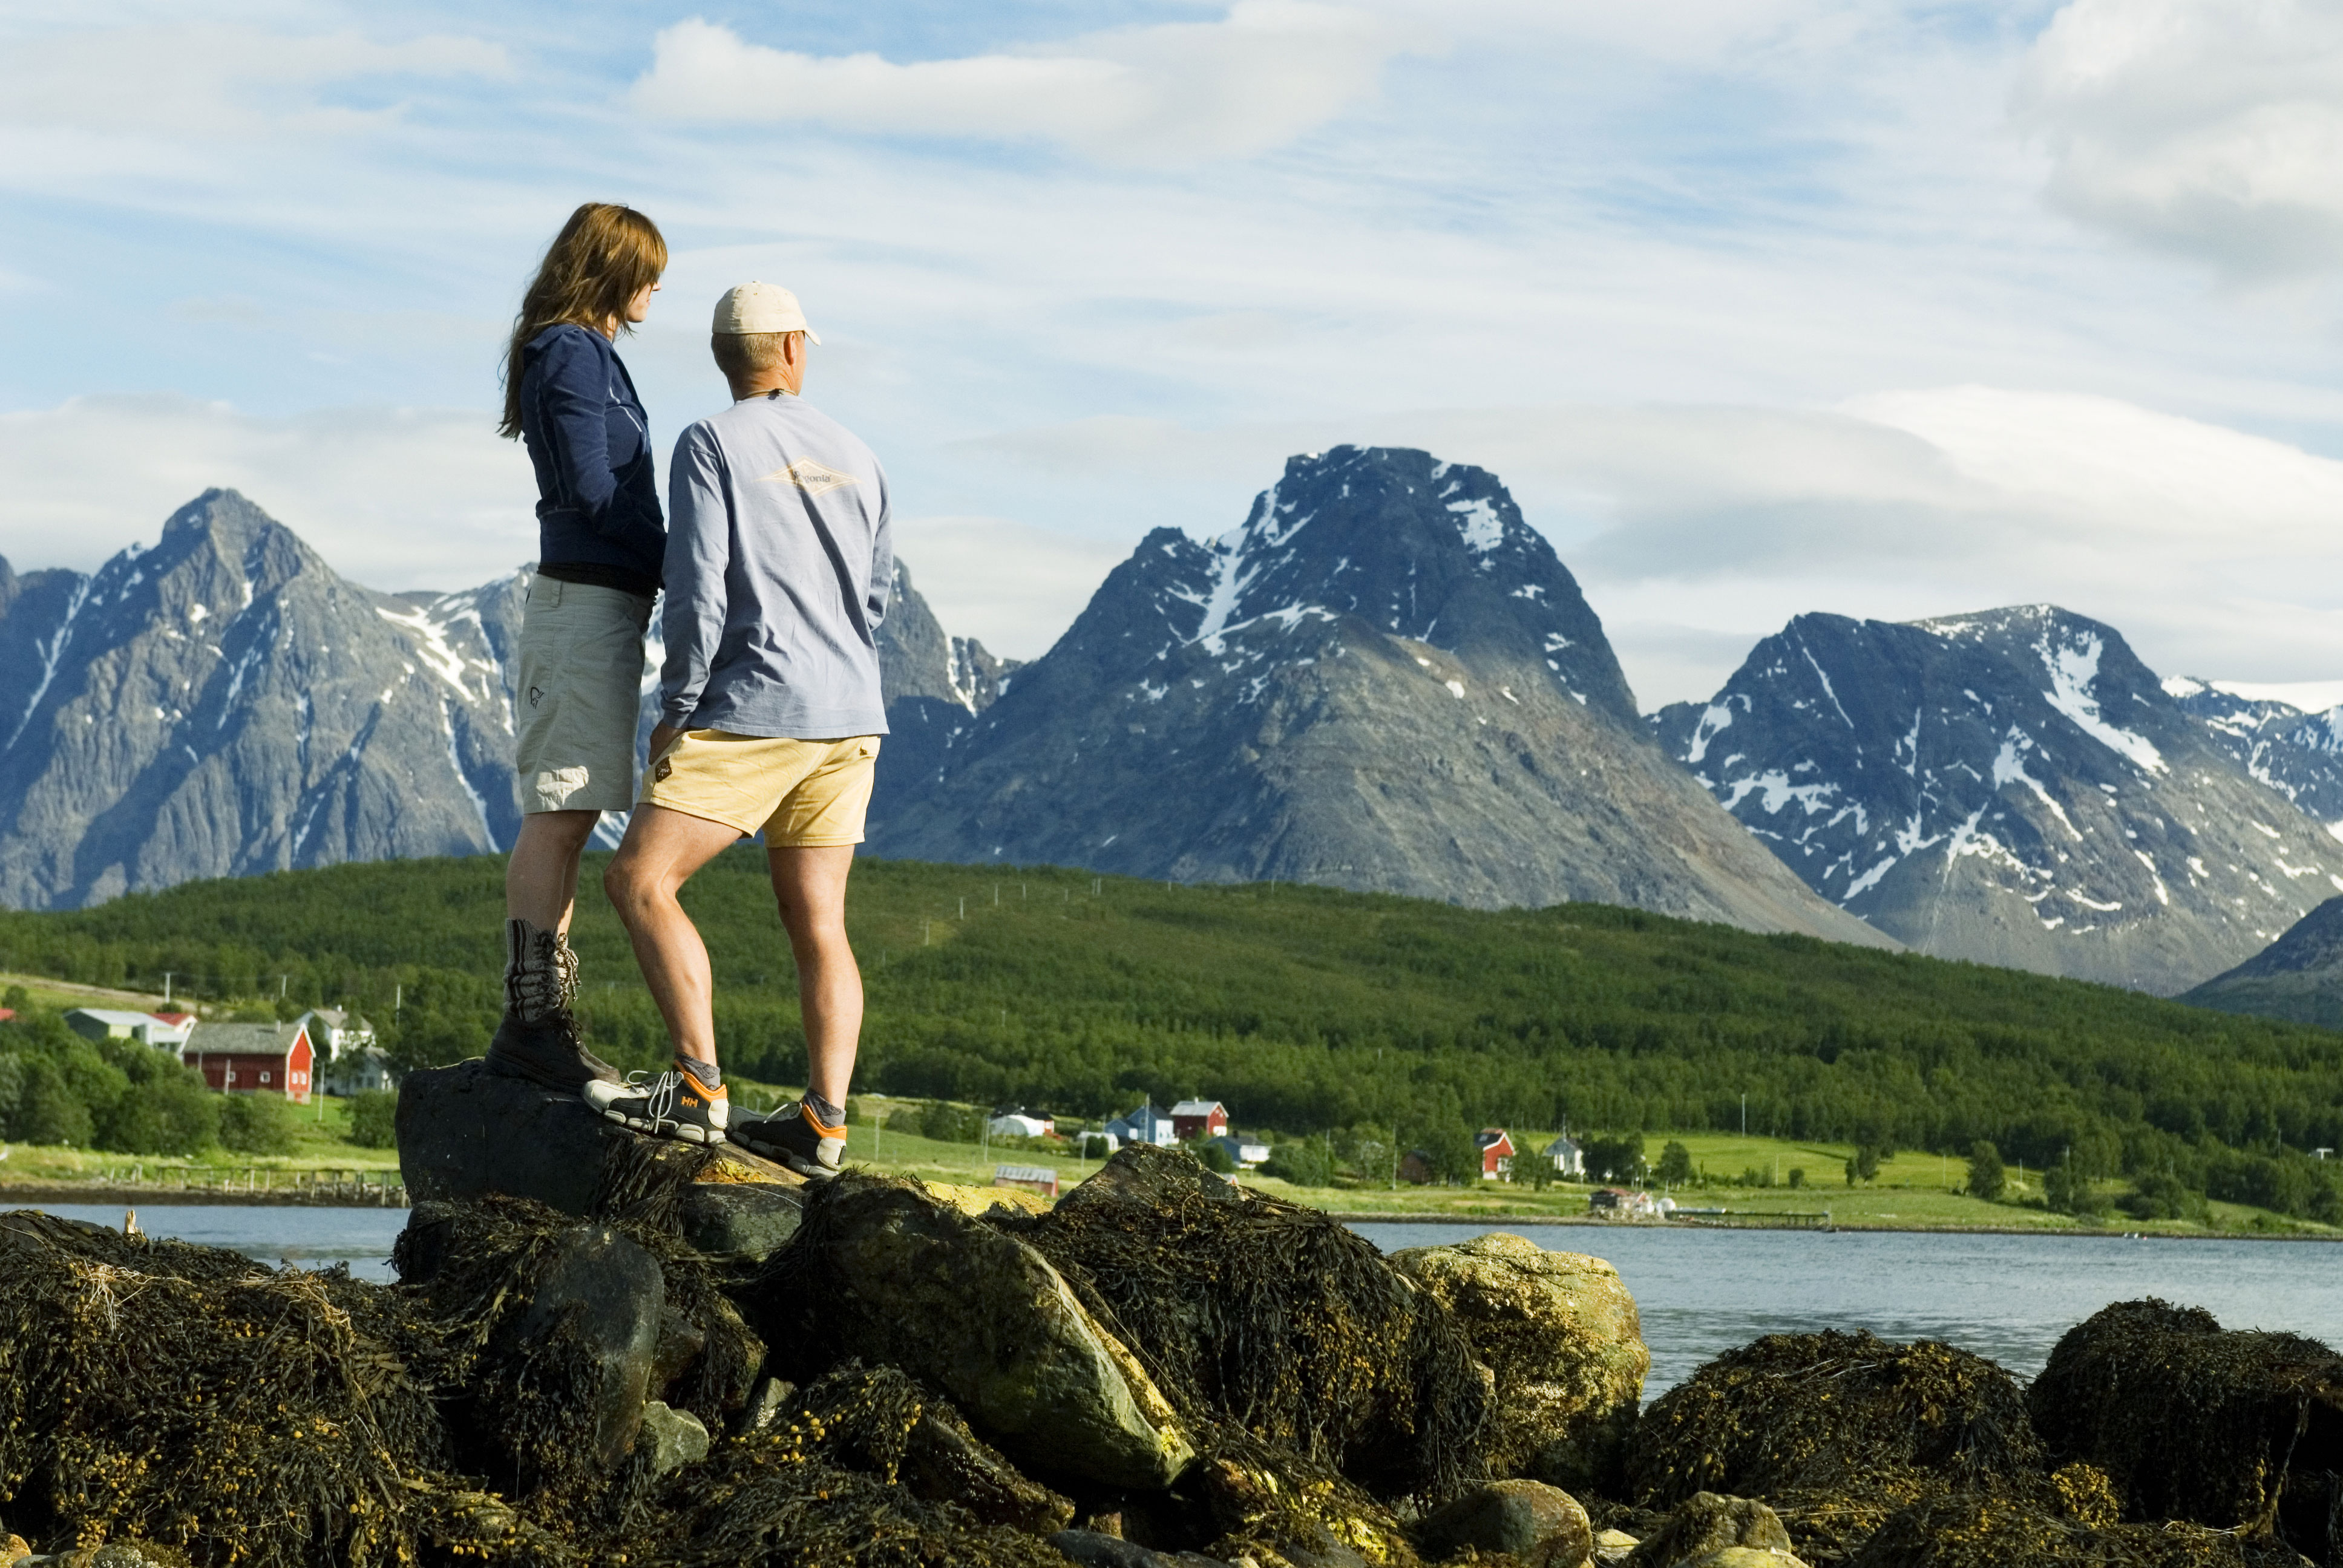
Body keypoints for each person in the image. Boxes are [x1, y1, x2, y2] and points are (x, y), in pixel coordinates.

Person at [586, 281, 890, 1180]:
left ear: (726, 358)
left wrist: (678, 705)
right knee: (820, 923)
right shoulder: (860, 453)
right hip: (850, 714)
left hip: (757, 705)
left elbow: (700, 587)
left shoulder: (713, 442)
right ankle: (824, 1123)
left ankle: (696, 1085)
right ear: (793, 349)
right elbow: (876, 595)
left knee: (640, 880)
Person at [485, 201, 668, 1091]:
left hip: (605, 604)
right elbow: (595, 491)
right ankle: (532, 1024)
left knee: (575, 808)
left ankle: (547, 1019)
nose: (657, 288)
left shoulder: (587, 353)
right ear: (611, 268)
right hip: (584, 604)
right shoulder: (569, 350)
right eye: (648, 270)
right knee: (559, 809)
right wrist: (680, 561)